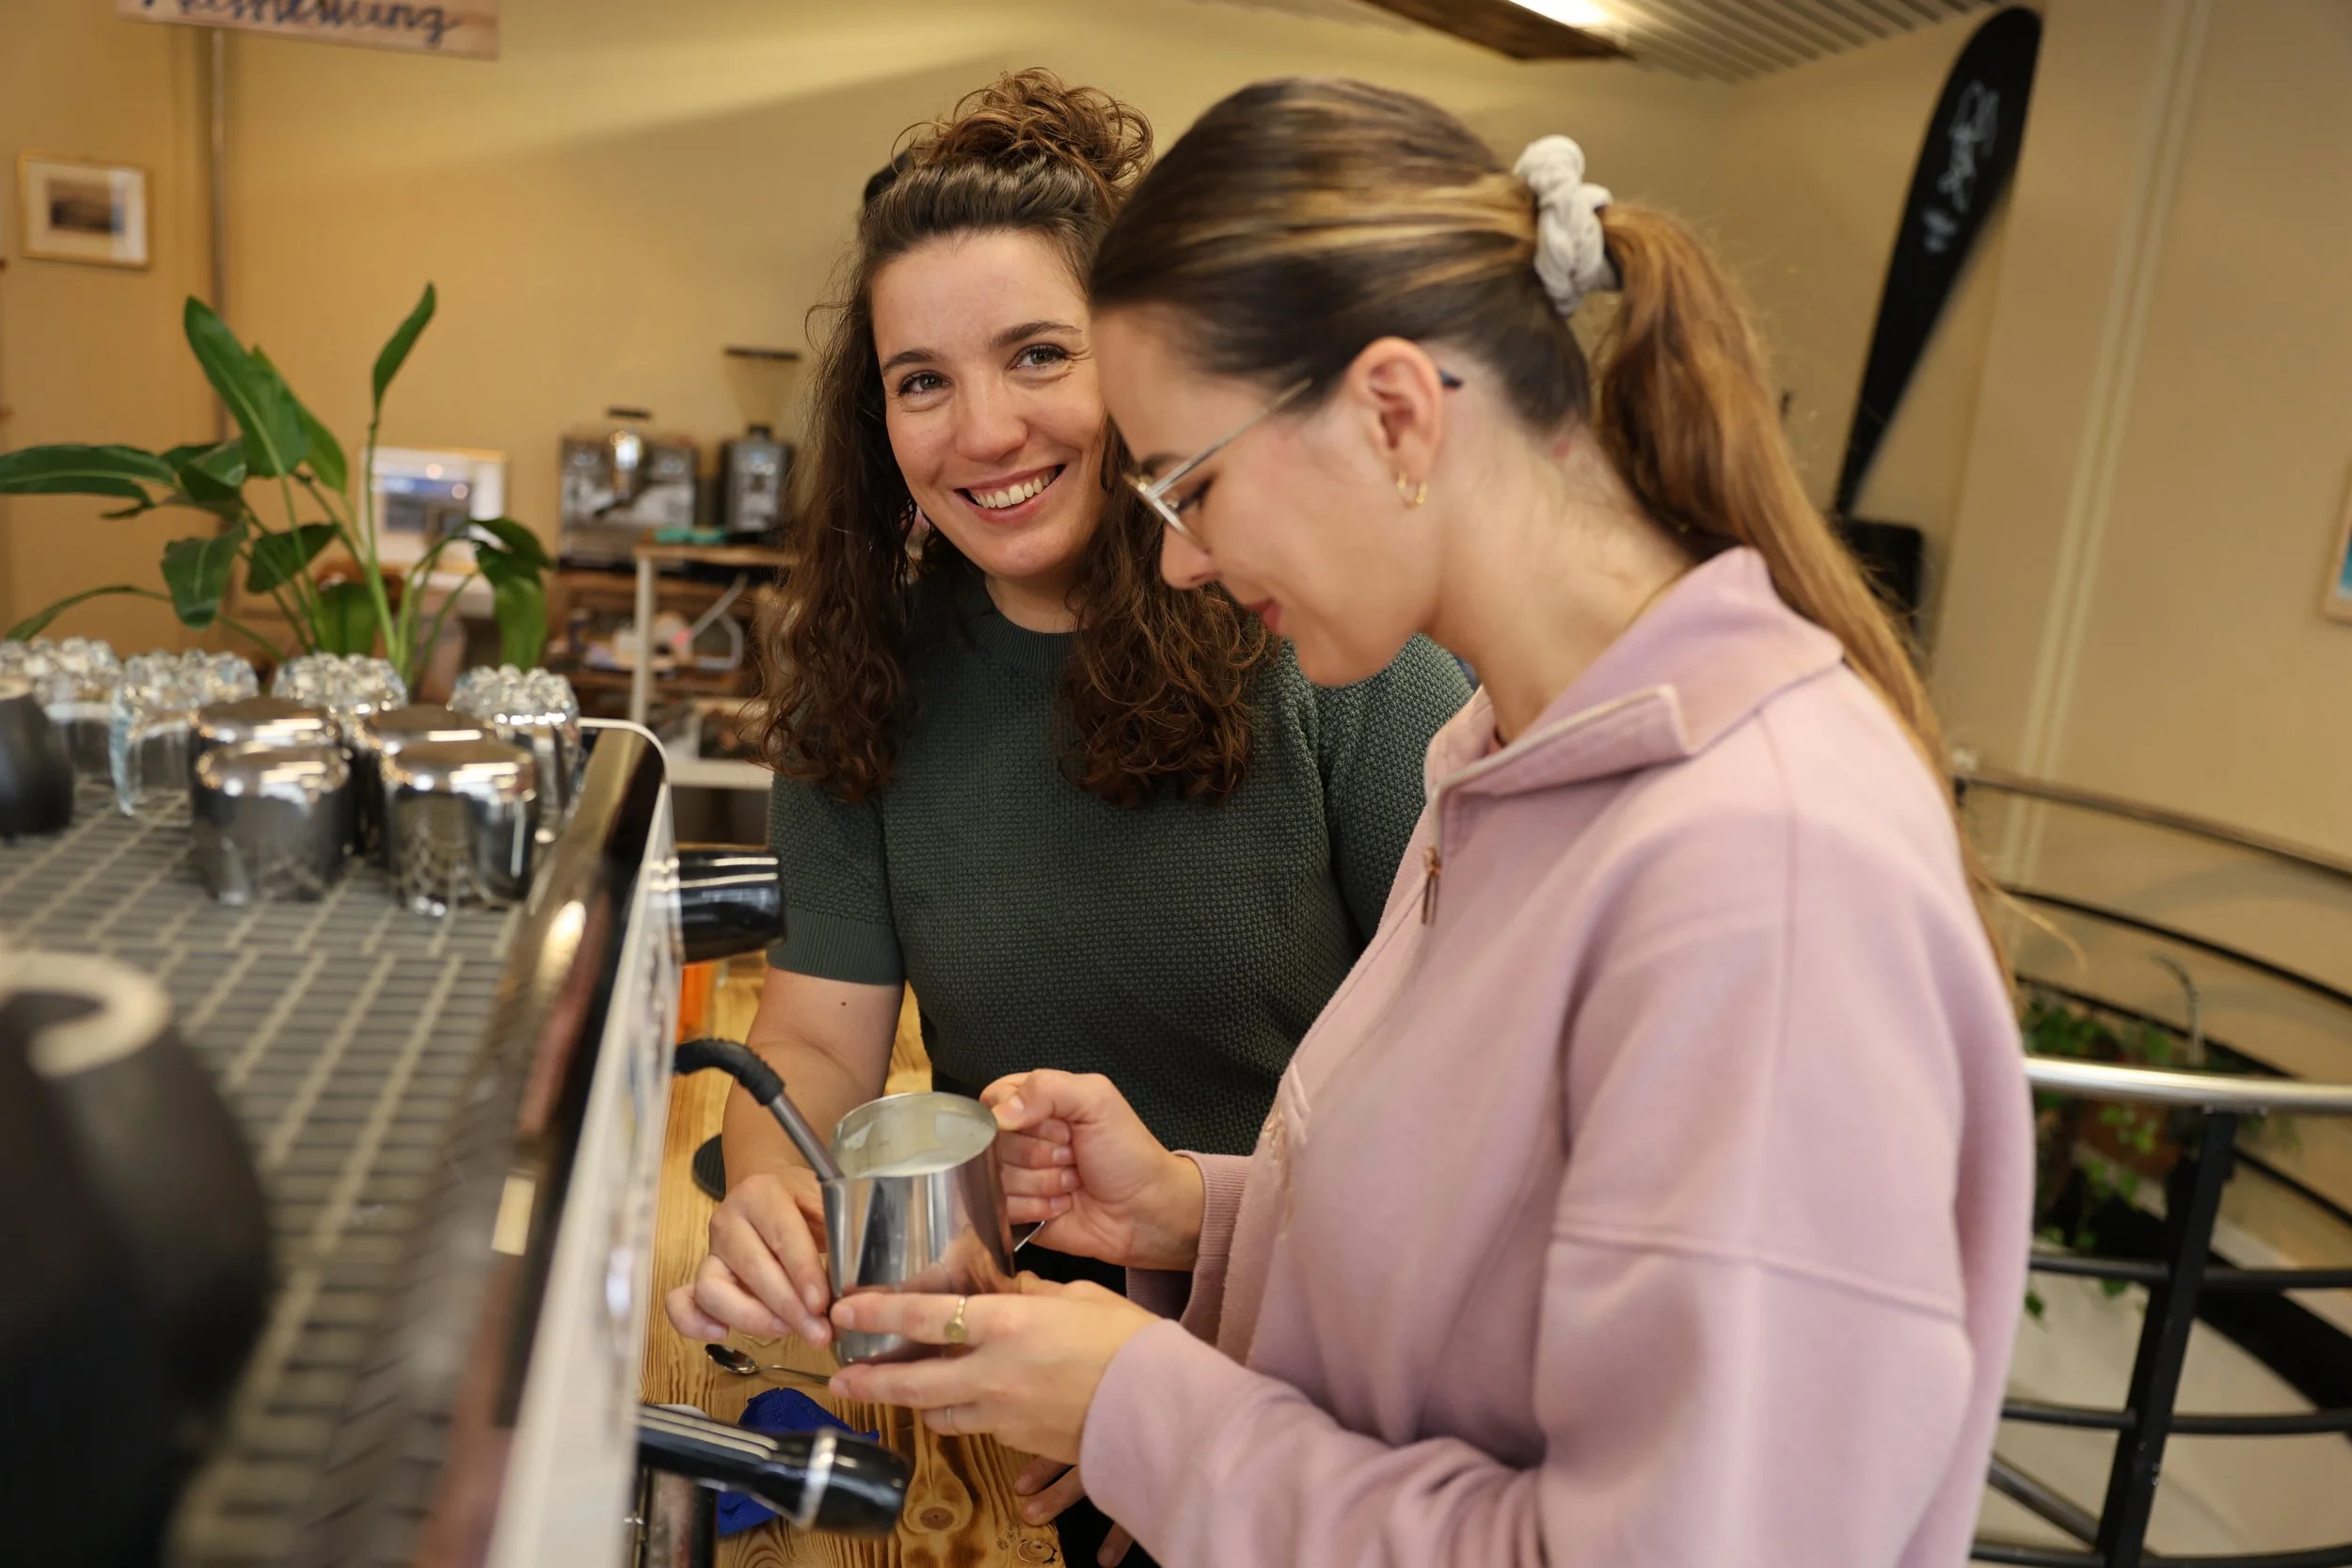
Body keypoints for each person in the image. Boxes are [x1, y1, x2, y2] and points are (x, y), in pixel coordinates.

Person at [818, 78, 2033, 1568]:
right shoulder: (1498, 755)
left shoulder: (1763, 870)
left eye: (1192, 483)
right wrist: (1200, 1212)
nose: (1181, 563)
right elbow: (1485, 1264)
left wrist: (1149, 1406)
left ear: (1395, 414)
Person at [662, 72, 1470, 1564]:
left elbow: (1460, 1118)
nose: (982, 431)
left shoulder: (1332, 640)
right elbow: (826, 1042)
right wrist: (774, 1187)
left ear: (1139, 372)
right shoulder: (865, 675)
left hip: (1319, 1380)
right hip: (1030, 1378)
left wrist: (1184, 1360)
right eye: (921, 380)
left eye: (1039, 355)